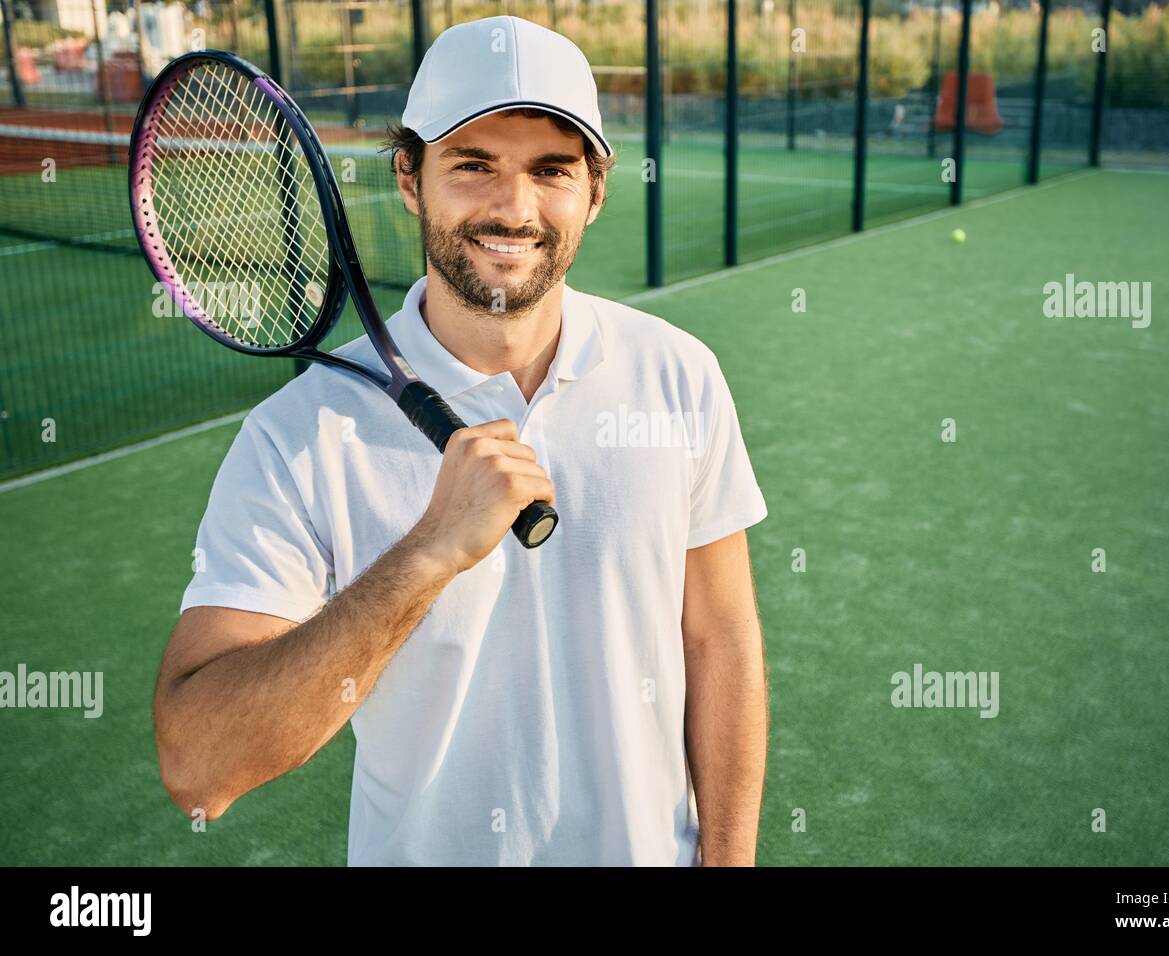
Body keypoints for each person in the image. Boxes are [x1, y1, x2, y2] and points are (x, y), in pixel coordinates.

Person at [153, 15, 769, 866]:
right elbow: (198, 762)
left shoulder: (680, 376)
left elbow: (720, 639)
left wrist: (729, 860)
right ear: (410, 177)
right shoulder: (297, 438)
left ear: (594, 190)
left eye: (550, 170)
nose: (513, 209)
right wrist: (430, 552)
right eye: (473, 165)